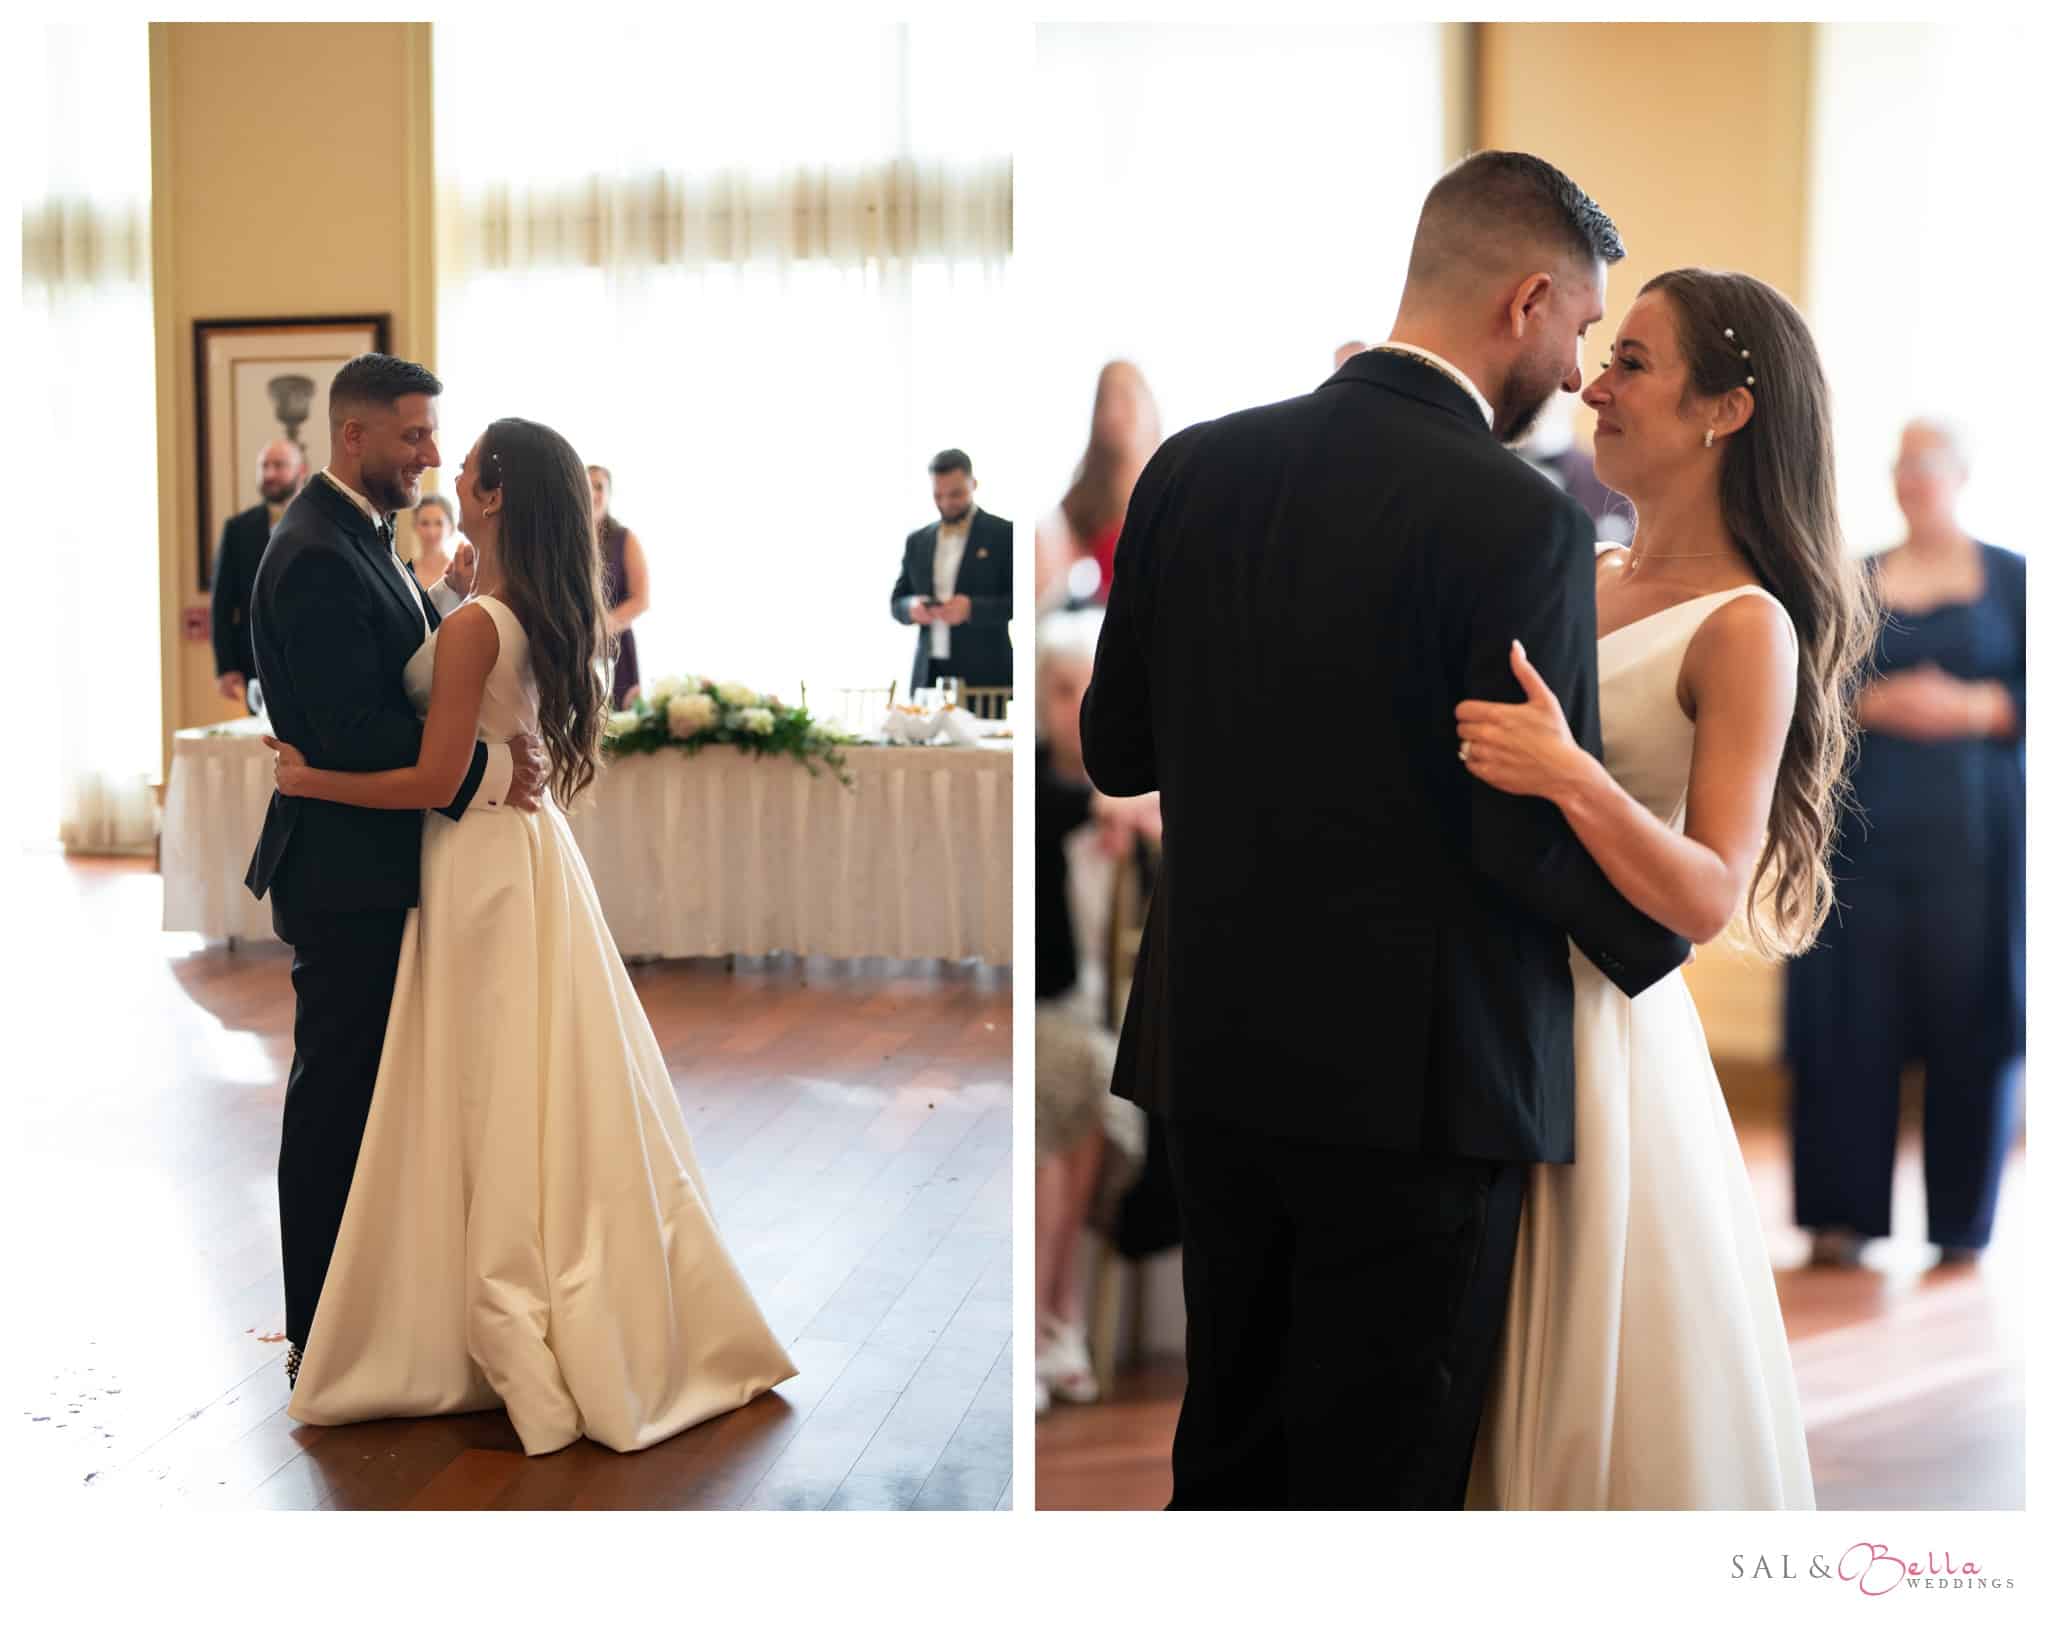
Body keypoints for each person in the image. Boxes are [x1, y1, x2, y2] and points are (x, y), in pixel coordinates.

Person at [1083, 151, 1691, 1511]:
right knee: (1380, 1488)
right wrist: (1657, 940)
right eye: (1580, 324)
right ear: (1524, 301)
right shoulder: (1519, 519)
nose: (1577, 365)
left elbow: (1118, 750)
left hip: (1216, 1046)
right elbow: (1516, 831)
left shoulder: (1192, 468)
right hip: (1420, 1084)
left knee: (1226, 1459)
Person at [264, 413, 796, 1455]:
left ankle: (487, 1300)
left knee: (482, 1083)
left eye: (464, 466)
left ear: (497, 492)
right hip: (525, 853)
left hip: (473, 861)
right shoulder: (515, 606)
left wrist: (309, 779)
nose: (446, 471)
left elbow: (433, 775)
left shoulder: (476, 623)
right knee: (529, 1075)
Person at [1457, 266, 1873, 1508]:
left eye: (1631, 363)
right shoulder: (1575, 569)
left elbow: (1704, 892)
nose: (1593, 386)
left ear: (1724, 411)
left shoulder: (1746, 627)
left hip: (1604, 1033)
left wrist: (1569, 775)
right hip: (1488, 1004)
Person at [242, 354, 546, 1392]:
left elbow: (398, 669)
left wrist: (445, 598)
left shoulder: (359, 535)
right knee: (336, 1100)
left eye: (432, 436)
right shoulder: (312, 553)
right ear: (354, 435)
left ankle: (375, 1319)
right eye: (413, 434)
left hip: (381, 859)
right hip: (344, 873)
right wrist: (491, 770)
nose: (429, 453)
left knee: (380, 1099)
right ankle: (317, 1333)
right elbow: (356, 729)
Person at [1784, 419, 2024, 1270]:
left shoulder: (2013, 578)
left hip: (1975, 848)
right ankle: (1840, 1216)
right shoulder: (1852, 578)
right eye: (1901, 464)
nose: (1912, 477)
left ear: (1961, 472)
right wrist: (1869, 704)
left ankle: (1962, 1221)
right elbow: (1807, 687)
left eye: (1927, 463)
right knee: (1850, 1020)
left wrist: (1972, 707)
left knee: (1970, 1018)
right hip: (1863, 840)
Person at [1035, 607, 1152, 1414]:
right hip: (1053, 1014)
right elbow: (1064, 804)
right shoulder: (1049, 797)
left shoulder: (1134, 802)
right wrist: (1112, 809)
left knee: (1086, 1084)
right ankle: (1058, 1314)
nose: (1074, 706)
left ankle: (1055, 1313)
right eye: (1060, 689)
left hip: (1098, 1023)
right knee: (1074, 1081)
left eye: (1089, 689)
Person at [891, 449, 1014, 696]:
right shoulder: (917, 540)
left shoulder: (1005, 534)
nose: (946, 503)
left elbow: (1019, 601)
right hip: (927, 673)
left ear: (973, 484)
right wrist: (911, 607)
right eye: (938, 495)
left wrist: (971, 608)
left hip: (985, 674)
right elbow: (897, 602)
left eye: (955, 494)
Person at [1044, 362, 1162, 607]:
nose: (1114, 413)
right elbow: (1053, 576)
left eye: (1124, 398)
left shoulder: (1173, 479)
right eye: (1105, 401)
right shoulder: (1085, 496)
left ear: (1148, 405)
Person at [211, 437, 305, 710]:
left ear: (301, 471)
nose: (270, 474)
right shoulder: (237, 529)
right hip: (256, 665)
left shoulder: (323, 523)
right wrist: (226, 666)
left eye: (279, 465)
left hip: (310, 657)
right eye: (264, 466)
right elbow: (222, 603)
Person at [588, 464, 648, 708]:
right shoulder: (565, 540)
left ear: (609, 494)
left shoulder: (625, 539)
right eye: (586, 486)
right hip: (575, 649)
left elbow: (641, 599)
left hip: (617, 650)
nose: (592, 493)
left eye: (599, 487)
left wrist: (602, 628)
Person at [410, 491, 459, 590]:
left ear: (451, 527)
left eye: (439, 523)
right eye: (425, 523)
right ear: (415, 526)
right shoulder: (405, 573)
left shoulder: (459, 573)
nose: (431, 532)